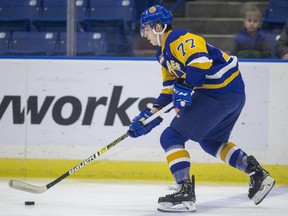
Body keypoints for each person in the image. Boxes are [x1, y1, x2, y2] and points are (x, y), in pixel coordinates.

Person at [127, 5, 275, 212]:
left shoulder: (178, 38)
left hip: (219, 91)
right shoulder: (162, 54)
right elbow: (169, 90)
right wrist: (149, 117)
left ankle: (184, 191)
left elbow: (200, 60)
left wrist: (186, 86)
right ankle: (257, 174)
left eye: (147, 29)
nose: (145, 35)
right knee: (211, 141)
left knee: (170, 137)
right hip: (232, 95)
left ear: (159, 26)